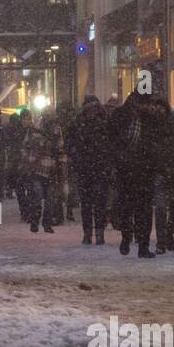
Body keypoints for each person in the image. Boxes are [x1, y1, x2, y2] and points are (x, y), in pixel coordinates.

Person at [110, 91, 163, 257]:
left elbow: (157, 142)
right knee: (134, 209)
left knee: (140, 209)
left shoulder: (147, 118)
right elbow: (112, 139)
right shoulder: (125, 116)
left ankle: (139, 244)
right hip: (131, 169)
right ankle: (131, 240)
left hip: (140, 170)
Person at [65, 95, 110, 245]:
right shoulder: (79, 124)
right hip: (87, 168)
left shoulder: (102, 123)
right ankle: (90, 233)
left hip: (97, 168)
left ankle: (97, 233)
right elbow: (69, 145)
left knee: (97, 203)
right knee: (89, 203)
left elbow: (111, 144)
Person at [151, 97, 174, 254]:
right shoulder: (153, 125)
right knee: (160, 207)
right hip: (160, 171)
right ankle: (161, 241)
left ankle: (169, 233)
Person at [19, 109, 62, 233]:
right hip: (37, 168)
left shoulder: (56, 130)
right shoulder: (33, 130)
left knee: (49, 199)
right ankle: (35, 221)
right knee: (37, 197)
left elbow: (60, 148)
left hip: (50, 169)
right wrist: (27, 160)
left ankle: (46, 223)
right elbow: (25, 147)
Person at [0, 111, 29, 222]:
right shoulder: (24, 131)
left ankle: (24, 212)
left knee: (20, 188)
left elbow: (7, 144)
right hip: (23, 163)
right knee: (25, 188)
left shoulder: (10, 131)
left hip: (16, 163)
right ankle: (27, 211)